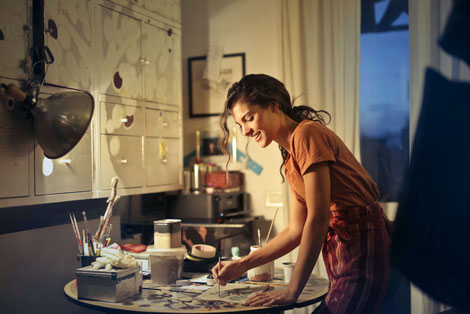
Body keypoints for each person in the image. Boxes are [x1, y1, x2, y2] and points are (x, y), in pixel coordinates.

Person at [212, 74, 391, 313]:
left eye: (249, 118)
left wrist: (291, 291)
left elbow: (318, 218)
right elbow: (296, 229)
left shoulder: (306, 135)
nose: (245, 131)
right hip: (344, 256)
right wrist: (240, 265)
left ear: (274, 106)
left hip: (361, 253)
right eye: (240, 124)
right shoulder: (290, 158)